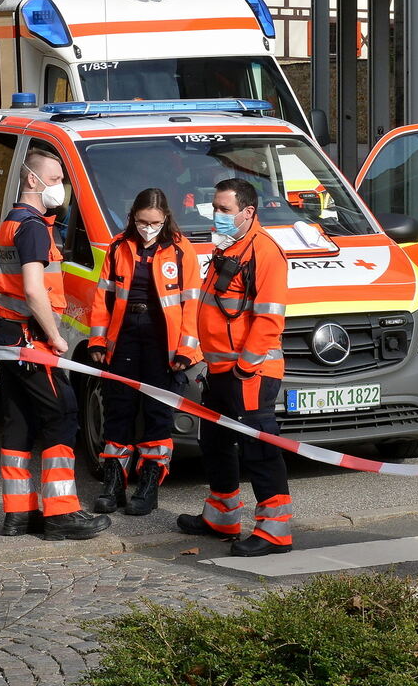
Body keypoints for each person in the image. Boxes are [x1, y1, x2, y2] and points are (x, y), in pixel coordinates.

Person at [0, 148, 110, 542]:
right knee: (62, 413)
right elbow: (32, 287)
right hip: (30, 337)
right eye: (56, 180)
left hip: (6, 334)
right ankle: (61, 513)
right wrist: (55, 336)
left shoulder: (11, 222)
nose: (61, 188)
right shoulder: (34, 227)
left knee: (18, 421)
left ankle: (18, 514)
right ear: (32, 180)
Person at [176, 178, 293, 557]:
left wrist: (245, 367)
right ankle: (222, 516)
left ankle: (275, 532)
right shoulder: (230, 248)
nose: (217, 215)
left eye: (225, 210)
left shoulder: (265, 253)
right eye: (216, 208)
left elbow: (269, 319)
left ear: (248, 213)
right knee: (216, 442)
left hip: (249, 373)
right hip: (220, 369)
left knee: (259, 448)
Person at [87, 188, 202, 516]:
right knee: (118, 410)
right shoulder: (118, 247)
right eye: (141, 221)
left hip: (162, 340)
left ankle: (149, 484)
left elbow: (191, 304)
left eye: (153, 222)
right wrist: (97, 341)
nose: (147, 227)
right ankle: (114, 483)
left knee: (158, 414)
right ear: (132, 217)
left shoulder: (181, 251)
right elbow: (103, 299)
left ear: (165, 218)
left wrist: (185, 349)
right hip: (125, 335)